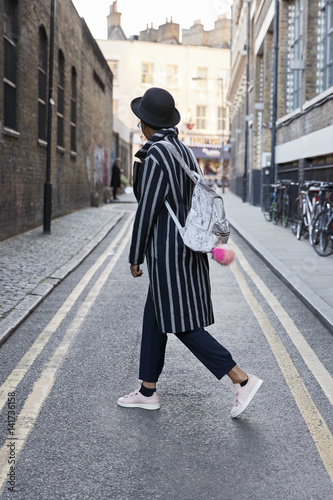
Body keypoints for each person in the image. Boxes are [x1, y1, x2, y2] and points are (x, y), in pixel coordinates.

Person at [117, 87, 263, 418]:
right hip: (187, 247)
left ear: (145, 124)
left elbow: (147, 209)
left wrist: (135, 255)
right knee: (155, 318)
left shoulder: (156, 156)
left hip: (169, 254)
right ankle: (147, 391)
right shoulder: (182, 150)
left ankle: (240, 379)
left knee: (181, 324)